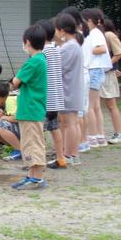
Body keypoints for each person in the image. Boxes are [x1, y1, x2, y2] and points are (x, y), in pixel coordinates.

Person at [9, 25, 48, 190]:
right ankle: (31, 176)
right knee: (29, 144)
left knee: (33, 144)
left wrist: (12, 83)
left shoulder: (33, 62)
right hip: (32, 109)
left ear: (27, 42)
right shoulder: (41, 59)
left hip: (31, 109)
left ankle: (37, 178)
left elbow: (15, 83)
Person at [54, 13, 84, 165]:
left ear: (62, 30)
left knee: (69, 123)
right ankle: (73, 154)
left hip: (68, 90)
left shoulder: (68, 47)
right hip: (74, 89)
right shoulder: (75, 45)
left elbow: (57, 68)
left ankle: (68, 155)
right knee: (73, 123)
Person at [37, 19, 67, 169]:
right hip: (56, 99)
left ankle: (39, 160)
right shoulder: (56, 49)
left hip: (45, 100)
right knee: (55, 129)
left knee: (39, 131)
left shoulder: (42, 53)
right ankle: (61, 158)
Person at [81, 8, 112, 147]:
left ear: (89, 20)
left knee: (91, 107)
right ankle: (100, 136)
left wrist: (90, 50)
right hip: (96, 70)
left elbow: (102, 49)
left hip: (94, 70)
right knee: (96, 106)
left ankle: (92, 137)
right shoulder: (94, 33)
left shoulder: (95, 33)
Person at [100, 17, 121, 143]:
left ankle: (118, 133)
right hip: (98, 73)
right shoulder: (98, 35)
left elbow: (120, 52)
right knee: (95, 105)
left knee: (110, 104)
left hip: (107, 74)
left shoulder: (108, 35)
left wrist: (108, 65)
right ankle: (98, 134)